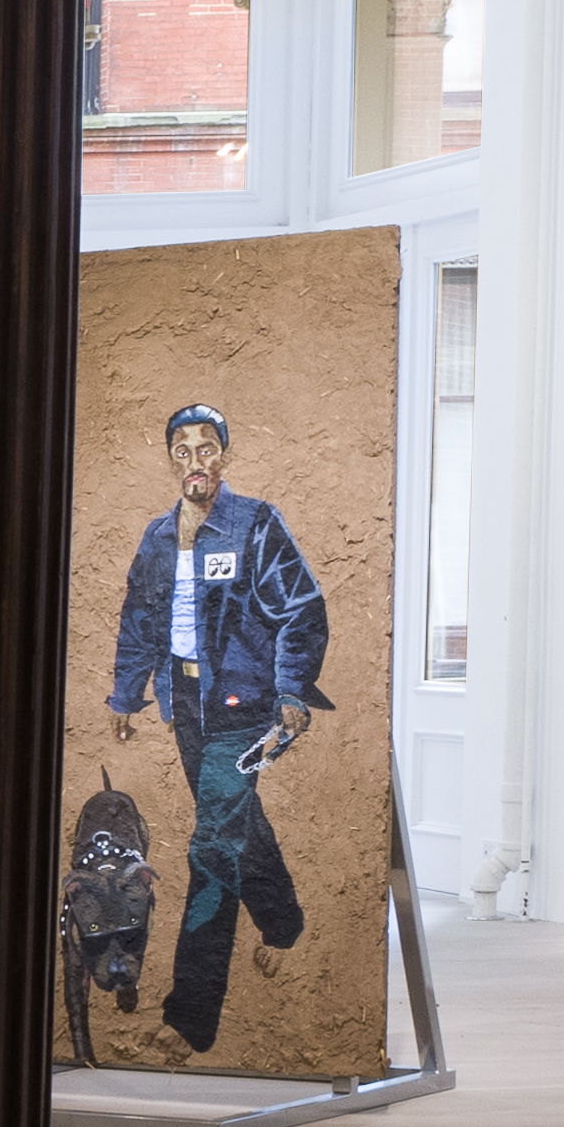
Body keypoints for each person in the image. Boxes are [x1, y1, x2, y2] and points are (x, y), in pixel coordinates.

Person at [102, 399, 330, 1052]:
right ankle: (284, 922)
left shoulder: (255, 525)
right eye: (183, 450)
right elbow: (140, 620)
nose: (195, 462)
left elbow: (303, 610)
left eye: (207, 449)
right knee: (237, 826)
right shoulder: (155, 538)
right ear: (170, 459)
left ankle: (189, 1019)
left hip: (245, 707)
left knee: (212, 848)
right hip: (185, 706)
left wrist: (290, 688)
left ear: (222, 456)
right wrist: (126, 695)